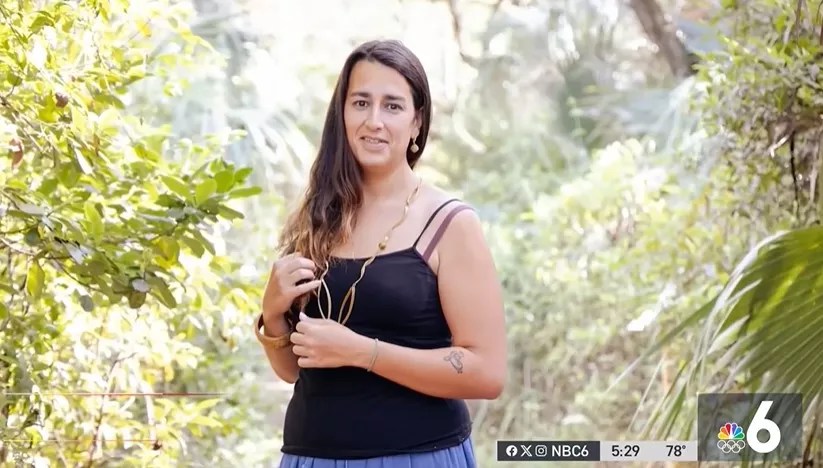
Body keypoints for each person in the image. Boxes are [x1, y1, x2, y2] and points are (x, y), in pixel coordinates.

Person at [254, 39, 507, 468]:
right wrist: (272, 313)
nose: (374, 121)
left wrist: (361, 352)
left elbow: (486, 372)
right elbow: (295, 371)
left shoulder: (449, 223)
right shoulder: (317, 216)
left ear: (416, 122)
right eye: (360, 103)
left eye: (392, 106)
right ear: (342, 114)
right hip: (311, 456)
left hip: (415, 457)